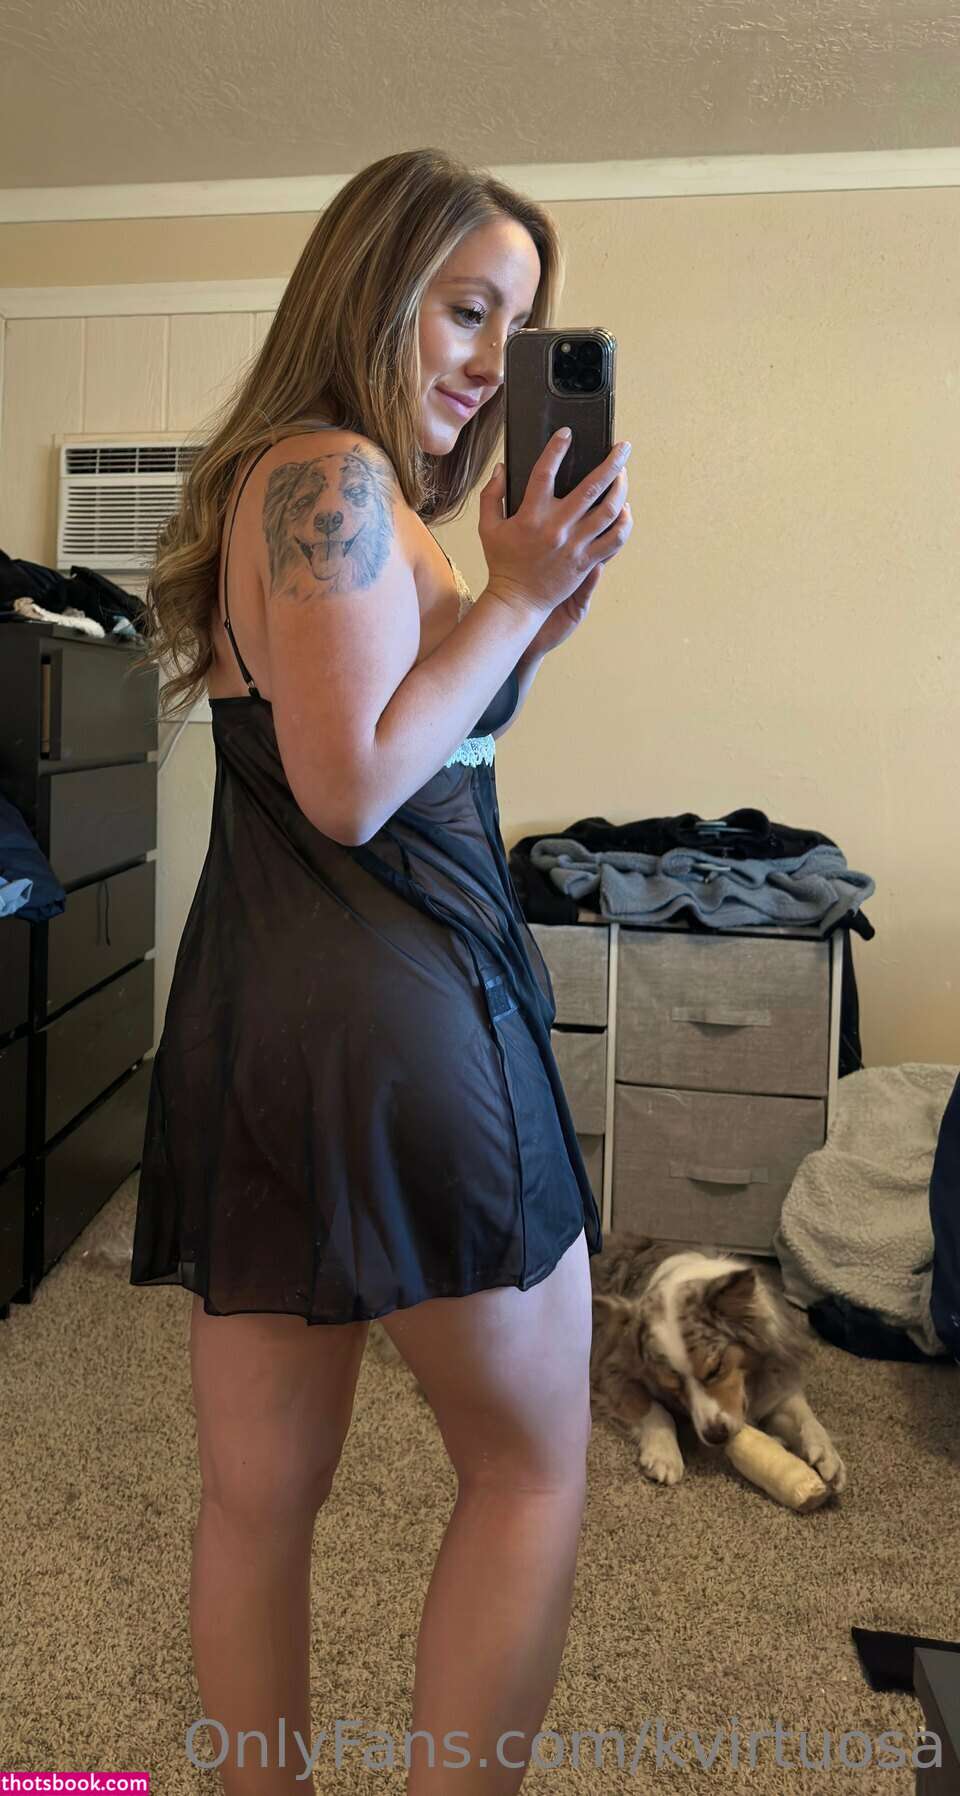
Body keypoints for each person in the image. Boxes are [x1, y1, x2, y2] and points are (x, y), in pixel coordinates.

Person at [131, 146, 632, 1794]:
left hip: (261, 1018)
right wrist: (511, 595)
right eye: (466, 310)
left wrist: (529, 615)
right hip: (410, 1013)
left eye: (516, 327)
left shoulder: (302, 486)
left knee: (256, 1501)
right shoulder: (334, 478)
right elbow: (351, 790)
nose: (492, 361)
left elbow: (408, 738)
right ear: (372, 288)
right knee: (529, 1469)